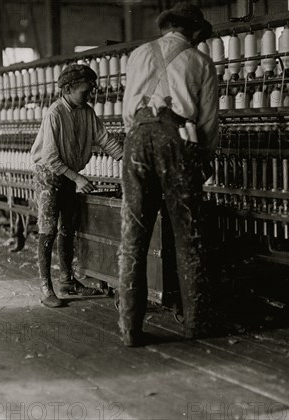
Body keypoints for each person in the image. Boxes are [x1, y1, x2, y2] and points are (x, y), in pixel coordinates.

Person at [118, 2, 218, 346]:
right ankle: (195, 326)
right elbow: (206, 124)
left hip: (137, 139)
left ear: (167, 27)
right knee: (188, 238)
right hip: (177, 141)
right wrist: (202, 160)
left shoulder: (138, 54)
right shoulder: (200, 61)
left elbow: (127, 112)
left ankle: (130, 329)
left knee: (133, 238)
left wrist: (141, 137)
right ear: (193, 32)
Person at [31, 64, 124, 308]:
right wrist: (78, 178)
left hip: (70, 174)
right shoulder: (54, 114)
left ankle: (67, 281)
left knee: (68, 228)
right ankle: (46, 288)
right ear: (68, 89)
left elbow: (104, 139)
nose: (89, 96)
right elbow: (51, 158)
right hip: (49, 176)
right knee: (48, 230)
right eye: (85, 92)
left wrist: (127, 159)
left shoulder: (87, 112)